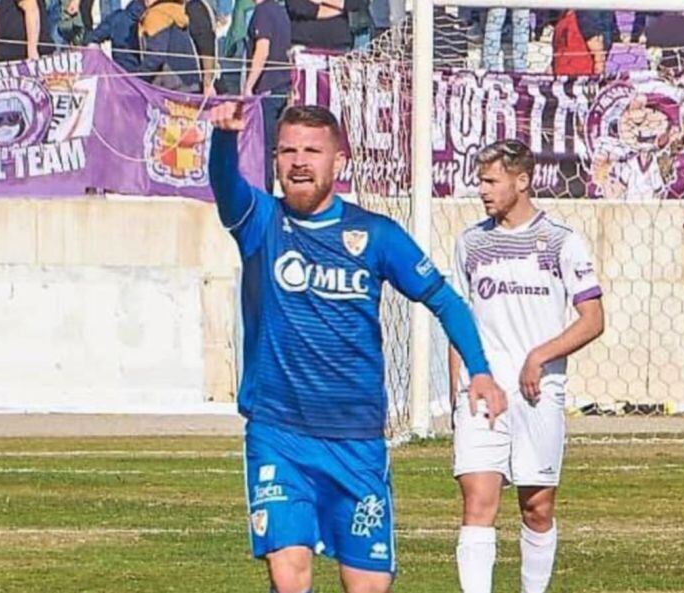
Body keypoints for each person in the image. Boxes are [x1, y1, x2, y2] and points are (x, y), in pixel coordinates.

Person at [207, 103, 507, 593]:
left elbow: (445, 300)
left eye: (312, 151)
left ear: (339, 162)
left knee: (368, 586)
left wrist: (479, 370)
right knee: (289, 576)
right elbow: (225, 186)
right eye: (287, 151)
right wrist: (223, 139)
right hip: (280, 434)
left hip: (358, 440)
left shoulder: (374, 234)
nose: (299, 161)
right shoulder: (260, 222)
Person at [450, 138, 604, 593]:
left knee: (536, 507)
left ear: (522, 181)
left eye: (491, 180)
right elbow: (458, 318)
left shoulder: (561, 241)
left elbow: (593, 319)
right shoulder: (470, 243)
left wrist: (540, 356)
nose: (482, 190)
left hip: (538, 394)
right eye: (480, 180)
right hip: (483, 393)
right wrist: (460, 390)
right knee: (478, 500)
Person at [242, 0, 289, 191]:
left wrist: (248, 86)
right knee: (274, 149)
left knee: (262, 149)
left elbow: (262, 50)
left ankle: (264, 195)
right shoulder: (282, 12)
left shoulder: (262, 12)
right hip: (283, 87)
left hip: (267, 90)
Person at [137, 0, 200, 92]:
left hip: (173, 85)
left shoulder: (157, 15)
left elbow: (156, 56)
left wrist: (137, 79)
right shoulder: (175, 10)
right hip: (189, 80)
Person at [85, 0, 145, 72]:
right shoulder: (119, 17)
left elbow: (93, 37)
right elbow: (93, 37)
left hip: (121, 75)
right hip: (137, 75)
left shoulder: (118, 17)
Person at [286, 0, 364, 51]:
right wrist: (339, 7)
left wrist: (321, 2)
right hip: (303, 44)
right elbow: (299, 8)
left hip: (339, 43)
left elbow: (354, 3)